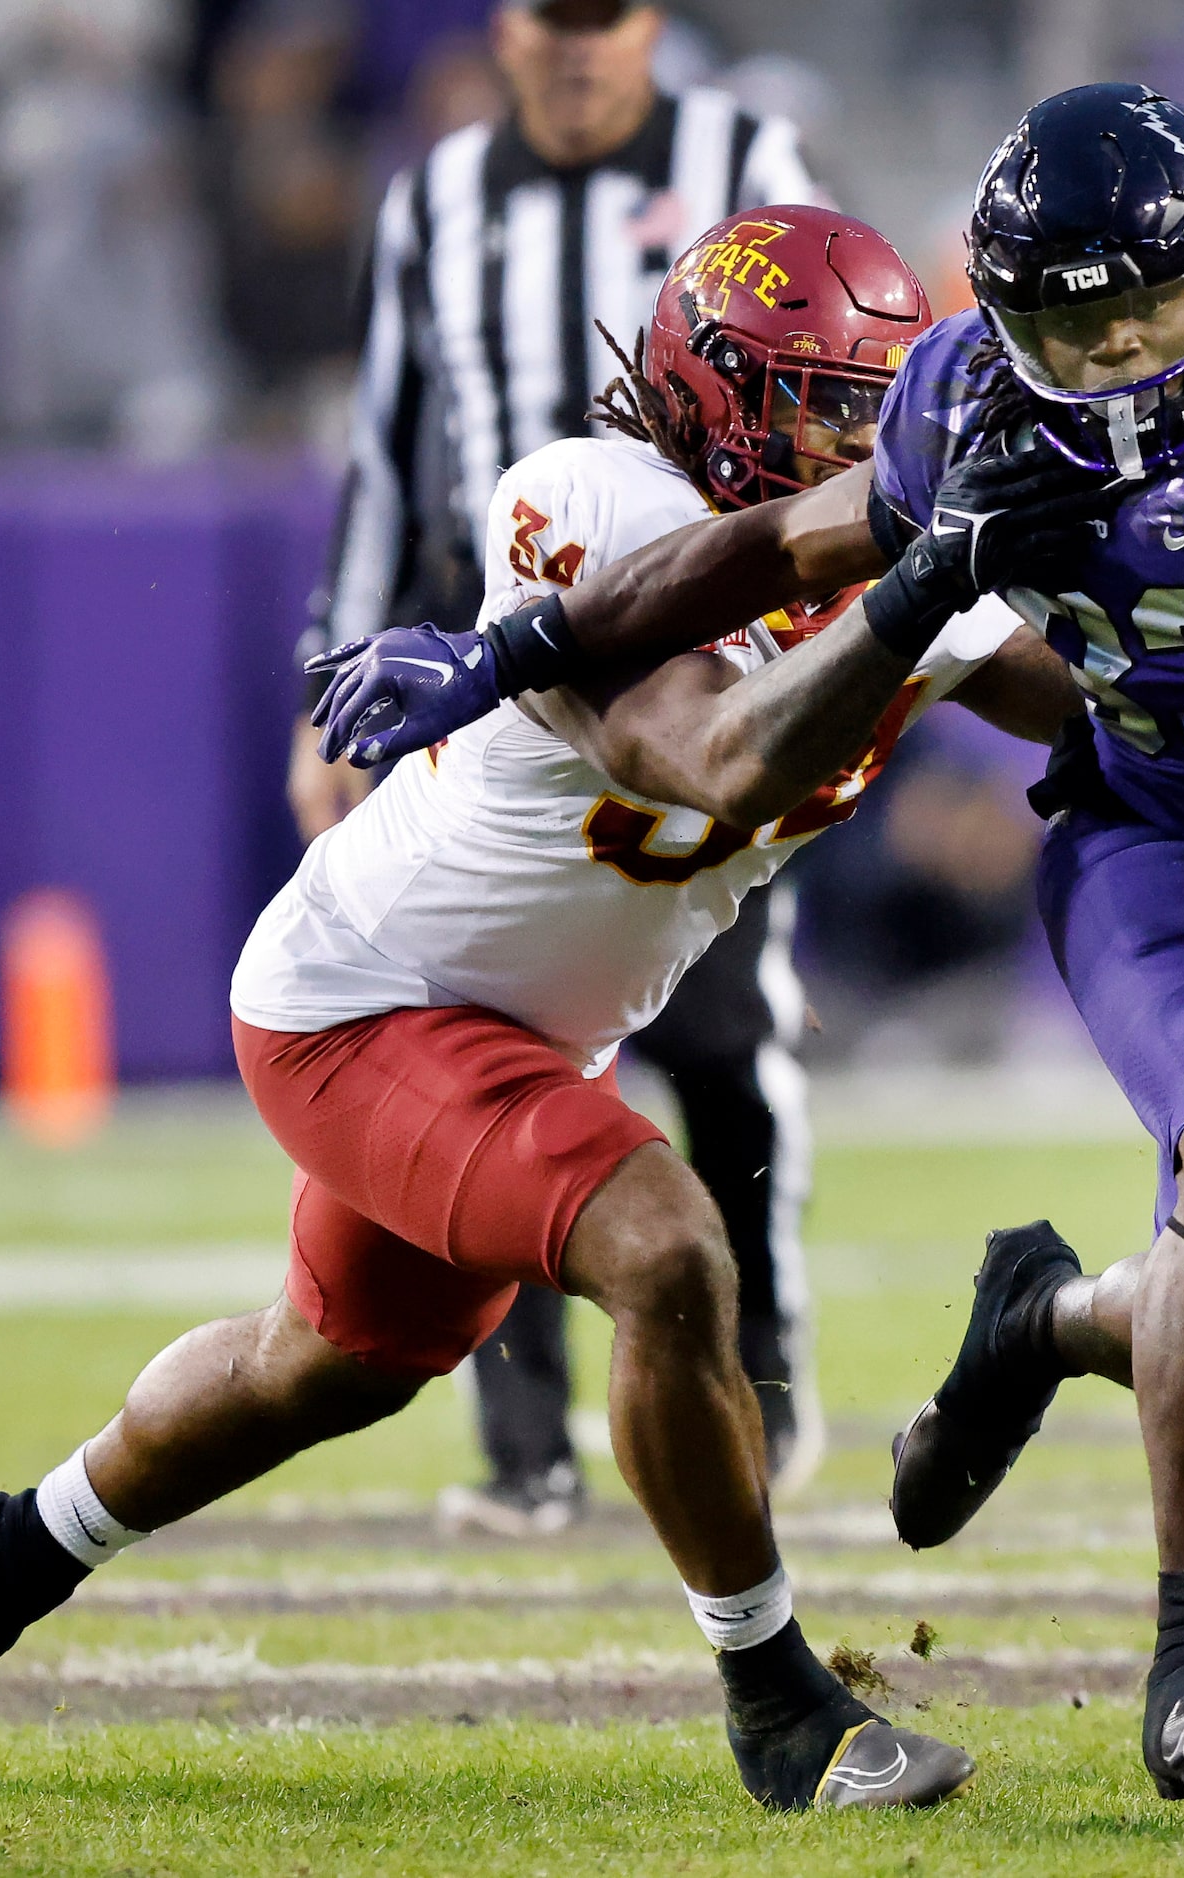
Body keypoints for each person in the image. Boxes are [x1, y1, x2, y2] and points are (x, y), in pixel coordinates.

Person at [312, 84, 1184, 1802]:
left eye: (1139, 314)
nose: (1098, 360)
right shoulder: (972, 404)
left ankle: (1037, 1321)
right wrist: (508, 653)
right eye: (1056, 323)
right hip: (1150, 829)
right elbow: (759, 553)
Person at [0, 203, 1096, 1807]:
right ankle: (783, 1702)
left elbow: (1105, 707)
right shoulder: (591, 499)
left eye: (880, 404)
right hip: (363, 998)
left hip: (517, 1036)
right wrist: (927, 570)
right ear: (716, 386)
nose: (857, 439)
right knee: (660, 1244)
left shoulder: (869, 544)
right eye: (821, 400)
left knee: (326, 1364)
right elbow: (709, 755)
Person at [289, 0, 828, 1533]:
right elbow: (389, 451)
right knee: (477, 1024)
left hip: (714, 648)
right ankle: (523, 1443)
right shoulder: (438, 195)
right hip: (505, 657)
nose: (582, 46)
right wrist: (326, 683)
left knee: (726, 1047)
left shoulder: (744, 154)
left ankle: (759, 1375)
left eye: (609, 14)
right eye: (555, 14)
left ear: (653, 22)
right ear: (503, 26)